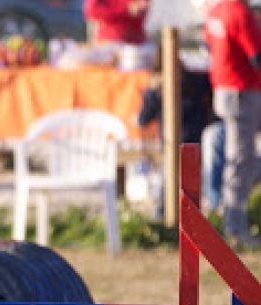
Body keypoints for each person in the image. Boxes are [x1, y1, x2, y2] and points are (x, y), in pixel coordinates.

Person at [203, 0, 261, 248]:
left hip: (226, 89)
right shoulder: (239, 13)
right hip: (241, 91)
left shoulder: (217, 11)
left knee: (238, 158)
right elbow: (257, 56)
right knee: (240, 160)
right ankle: (235, 228)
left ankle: (231, 220)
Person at [137, 57, 220, 217]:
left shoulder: (191, 84)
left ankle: (165, 220)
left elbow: (143, 119)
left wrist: (152, 93)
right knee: (179, 188)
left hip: (183, 145)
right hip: (189, 144)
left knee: (173, 186)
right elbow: (143, 119)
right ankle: (168, 220)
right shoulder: (195, 82)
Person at [84, 0, 150, 45]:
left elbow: (142, 7)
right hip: (108, 42)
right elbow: (91, 11)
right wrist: (125, 9)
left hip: (136, 44)